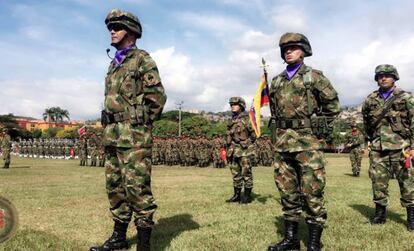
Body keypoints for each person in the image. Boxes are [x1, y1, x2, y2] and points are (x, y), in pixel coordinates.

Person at [90, 9, 166, 251]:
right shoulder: (114, 64)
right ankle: (119, 238)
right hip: (112, 136)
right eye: (110, 27)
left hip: (133, 137)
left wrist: (139, 126)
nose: (112, 31)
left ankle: (144, 245)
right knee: (115, 187)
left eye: (117, 27)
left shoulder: (142, 59)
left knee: (137, 188)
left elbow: (157, 98)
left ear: (131, 31)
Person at [267, 33, 340, 251]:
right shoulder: (277, 81)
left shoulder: (314, 77)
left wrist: (319, 130)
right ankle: (291, 240)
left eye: (294, 48)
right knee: (287, 191)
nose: (288, 51)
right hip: (282, 143)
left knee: (311, 192)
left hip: (308, 144)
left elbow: (333, 106)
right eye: (285, 49)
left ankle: (314, 243)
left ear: (304, 51)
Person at [362, 64, 414, 231]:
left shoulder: (406, 98)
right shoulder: (370, 99)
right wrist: (370, 142)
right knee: (378, 182)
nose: (383, 78)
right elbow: (366, 122)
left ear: (394, 77)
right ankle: (379, 216)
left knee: (408, 182)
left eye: (387, 75)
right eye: (379, 76)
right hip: (378, 149)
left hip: (402, 148)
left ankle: (412, 218)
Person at [226, 97, 256, 204]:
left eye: (235, 104)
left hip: (244, 151)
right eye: (231, 104)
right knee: (235, 173)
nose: (232, 106)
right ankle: (237, 195)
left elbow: (254, 135)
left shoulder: (247, 119)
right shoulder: (231, 120)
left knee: (246, 173)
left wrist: (246, 145)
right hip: (233, 151)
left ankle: (247, 196)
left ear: (241, 106)